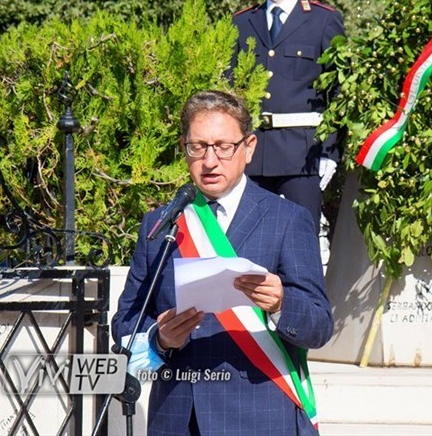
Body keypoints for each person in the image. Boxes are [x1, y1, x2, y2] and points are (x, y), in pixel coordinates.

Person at [112, 90, 333, 435]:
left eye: (223, 146)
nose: (210, 161)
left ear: (249, 148)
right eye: (198, 147)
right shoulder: (162, 224)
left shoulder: (286, 219)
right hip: (176, 418)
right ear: (184, 147)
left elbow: (319, 326)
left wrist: (280, 304)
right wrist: (160, 338)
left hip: (259, 416)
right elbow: (125, 322)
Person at [231, 0, 345, 236]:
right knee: (249, 244)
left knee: (302, 244)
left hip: (302, 156)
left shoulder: (323, 20)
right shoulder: (242, 22)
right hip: (253, 155)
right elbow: (231, 90)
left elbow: (338, 91)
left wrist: (330, 152)